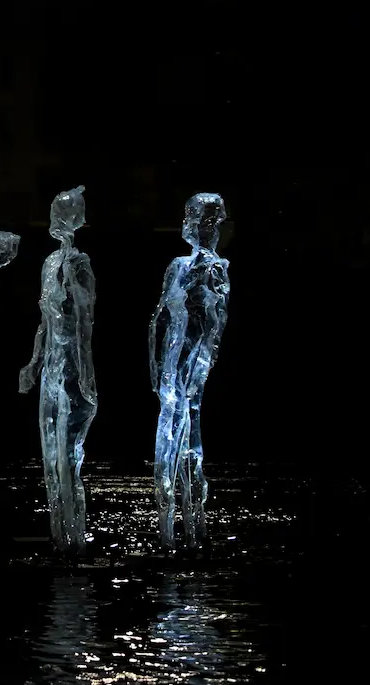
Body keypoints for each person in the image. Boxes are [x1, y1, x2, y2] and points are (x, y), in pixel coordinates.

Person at [149, 192, 231, 548]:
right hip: (173, 365)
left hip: (190, 364)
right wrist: (156, 366)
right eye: (196, 219)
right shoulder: (178, 266)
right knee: (169, 439)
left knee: (188, 438)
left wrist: (205, 362)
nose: (200, 227)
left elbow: (217, 321)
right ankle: (171, 526)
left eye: (210, 221)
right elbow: (159, 318)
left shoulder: (216, 269)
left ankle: (193, 523)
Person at [19, 186, 97, 556]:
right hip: (52, 366)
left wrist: (84, 376)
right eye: (56, 212)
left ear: (77, 220)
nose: (58, 220)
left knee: (70, 453)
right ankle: (60, 533)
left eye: (65, 213)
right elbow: (44, 321)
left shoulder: (79, 263)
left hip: (70, 368)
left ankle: (75, 535)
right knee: (50, 450)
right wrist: (34, 363)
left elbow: (84, 323)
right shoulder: (50, 263)